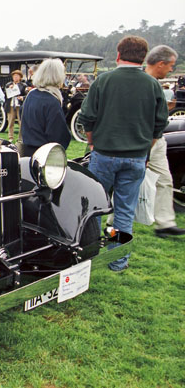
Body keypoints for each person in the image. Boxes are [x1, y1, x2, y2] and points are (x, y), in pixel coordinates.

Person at [79, 36, 168, 271]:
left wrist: (91, 143)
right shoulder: (153, 85)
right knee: (125, 210)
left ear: (119, 55)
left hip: (104, 153)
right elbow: (160, 123)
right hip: (136, 156)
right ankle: (118, 260)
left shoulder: (103, 81)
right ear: (144, 57)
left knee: (94, 208)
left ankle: (90, 255)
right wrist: (145, 148)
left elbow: (87, 116)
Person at [144, 45, 185, 238]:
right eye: (170, 65)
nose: (171, 70)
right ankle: (114, 223)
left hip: (155, 140)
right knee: (128, 182)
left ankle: (164, 222)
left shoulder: (152, 84)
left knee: (165, 181)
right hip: (146, 140)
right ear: (160, 64)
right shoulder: (147, 84)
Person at [20, 59, 71, 156]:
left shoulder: (31, 94)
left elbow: (22, 115)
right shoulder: (51, 100)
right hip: (44, 154)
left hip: (27, 150)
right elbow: (58, 134)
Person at [5, 70, 28, 142]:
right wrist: (9, 88)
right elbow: (5, 94)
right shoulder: (8, 84)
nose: (15, 77)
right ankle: (10, 137)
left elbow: (26, 95)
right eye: (14, 76)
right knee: (10, 121)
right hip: (11, 104)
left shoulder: (23, 85)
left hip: (19, 105)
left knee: (20, 122)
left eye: (17, 76)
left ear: (20, 77)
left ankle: (20, 138)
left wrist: (22, 98)